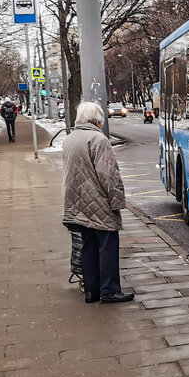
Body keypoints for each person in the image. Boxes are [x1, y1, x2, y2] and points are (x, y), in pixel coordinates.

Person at [61, 101, 134, 303]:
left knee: (88, 246)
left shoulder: (70, 139)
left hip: (76, 202)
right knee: (108, 247)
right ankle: (109, 290)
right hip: (99, 202)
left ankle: (91, 290)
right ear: (96, 120)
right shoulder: (98, 139)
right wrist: (117, 202)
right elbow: (108, 174)